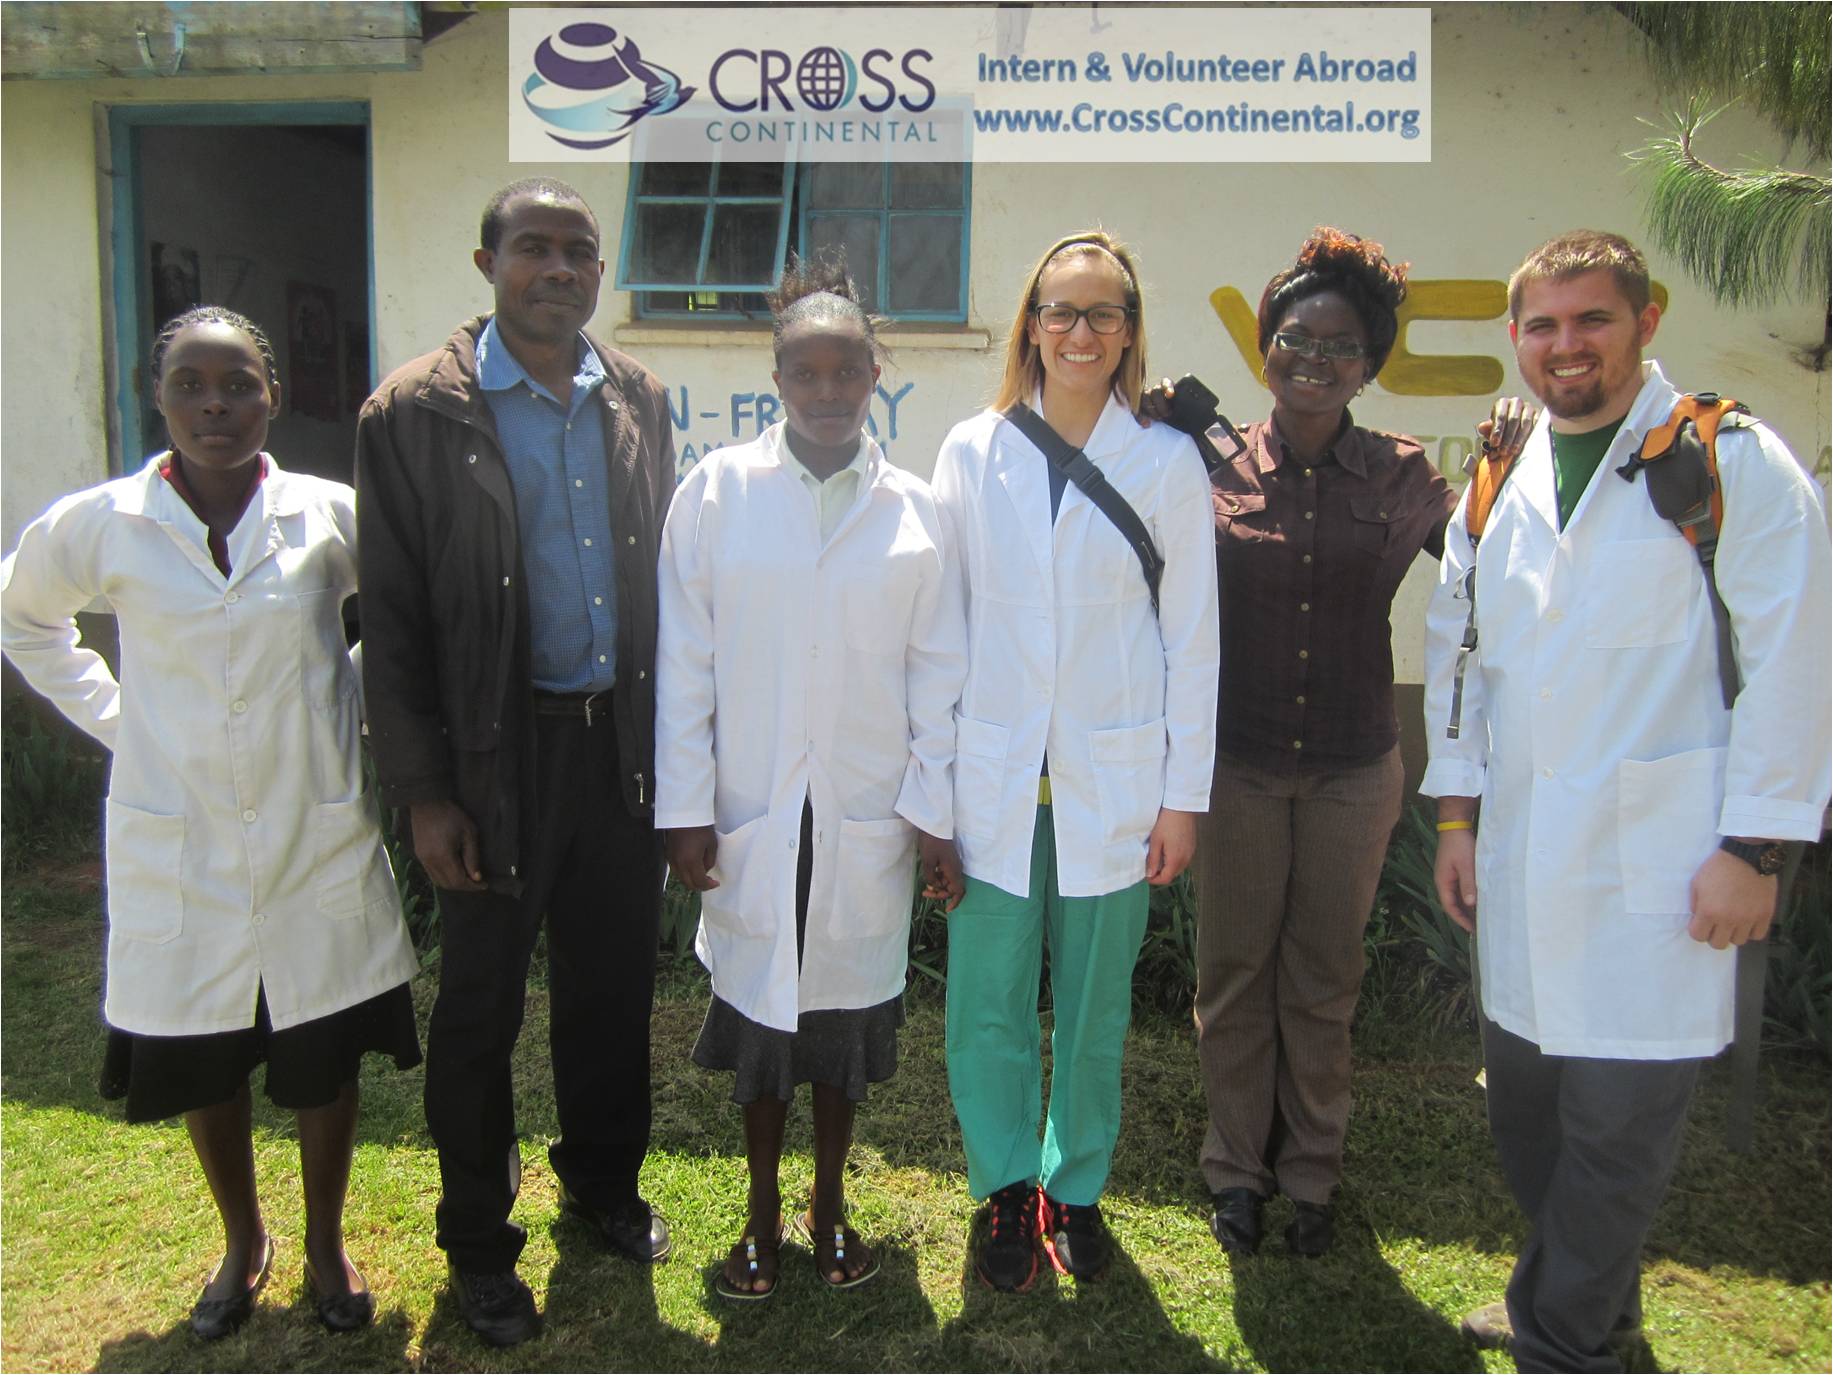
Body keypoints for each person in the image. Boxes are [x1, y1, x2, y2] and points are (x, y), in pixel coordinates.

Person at [1422, 230, 1831, 1372]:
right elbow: (1457, 654)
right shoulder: (1500, 479)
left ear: (1644, 323)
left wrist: (1758, 844)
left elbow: (1799, 656)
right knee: (1530, 1122)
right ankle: (1596, 1306)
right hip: (1523, 867)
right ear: (1517, 338)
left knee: (1616, 1136)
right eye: (1544, 325)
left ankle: (1563, 1342)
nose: (1567, 346)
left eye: (1592, 320)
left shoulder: (1727, 462)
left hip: (1665, 874)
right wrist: (1456, 816)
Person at [1, 307, 421, 1339]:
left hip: (306, 827)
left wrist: (351, 701)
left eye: (237, 384)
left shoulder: (328, 515)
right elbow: (25, 617)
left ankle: (325, 1243)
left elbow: (407, 617)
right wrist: (117, 717)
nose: (215, 406)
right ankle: (244, 1239)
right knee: (204, 1049)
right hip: (178, 839)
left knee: (320, 1050)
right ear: (160, 396)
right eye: (191, 385)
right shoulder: (101, 522)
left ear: (272, 394)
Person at [355, 178, 676, 1347]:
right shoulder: (411, 414)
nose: (557, 268)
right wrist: (425, 791)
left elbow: (663, 597)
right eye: (532, 247)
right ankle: (481, 1245)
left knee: (611, 991)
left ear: (600, 271)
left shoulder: (635, 395)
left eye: (578, 252)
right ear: (485, 260)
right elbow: (387, 621)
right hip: (493, 759)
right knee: (481, 1008)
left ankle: (599, 1183)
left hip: (614, 752)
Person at [656, 256, 967, 1300]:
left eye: (847, 371)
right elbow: (685, 658)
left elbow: (939, 675)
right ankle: (755, 1217)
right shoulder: (716, 492)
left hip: (863, 820)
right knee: (761, 1033)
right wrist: (686, 809)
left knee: (836, 1034)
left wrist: (932, 817)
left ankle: (828, 1209)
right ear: (776, 378)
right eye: (805, 372)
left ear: (876, 373)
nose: (827, 392)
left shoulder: (918, 513)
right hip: (753, 813)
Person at [1163, 229, 1459, 1260]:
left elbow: (1492, 563)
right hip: (1237, 760)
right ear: (1266, 347)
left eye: (1340, 347)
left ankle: (1311, 1173)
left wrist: (1508, 454)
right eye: (1295, 338)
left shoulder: (1403, 473)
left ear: (1370, 365)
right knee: (1236, 973)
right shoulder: (1208, 456)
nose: (1314, 360)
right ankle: (1235, 1168)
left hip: (1351, 764)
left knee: (1324, 977)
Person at [931, 230, 1219, 1289]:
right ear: (1031, 324)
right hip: (992, 780)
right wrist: (931, 794)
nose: (1081, 331)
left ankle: (1078, 1186)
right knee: (989, 1002)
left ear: (1132, 330)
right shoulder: (973, 449)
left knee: (1094, 1007)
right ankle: (1005, 1188)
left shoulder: (1167, 460)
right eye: (1061, 309)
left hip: (1117, 786)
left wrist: (1182, 800)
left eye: (1104, 313)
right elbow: (941, 629)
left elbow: (1194, 640)